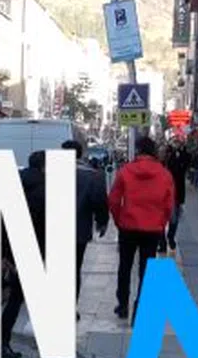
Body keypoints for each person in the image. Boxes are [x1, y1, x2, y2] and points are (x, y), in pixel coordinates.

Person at [108, 136, 174, 322]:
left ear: (137, 150)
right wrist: (161, 223)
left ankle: (122, 304)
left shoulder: (126, 171)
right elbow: (169, 204)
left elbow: (113, 200)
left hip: (128, 226)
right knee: (146, 269)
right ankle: (140, 307)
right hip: (152, 228)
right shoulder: (164, 174)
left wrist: (119, 220)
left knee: (125, 266)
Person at [0, 150, 47, 358]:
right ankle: (2, 342)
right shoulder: (45, 190)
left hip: (11, 248)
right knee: (16, 298)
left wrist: (4, 254)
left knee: (13, 297)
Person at [64, 140, 108, 314]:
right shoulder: (92, 175)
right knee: (74, 268)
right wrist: (102, 222)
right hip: (79, 230)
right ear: (80, 154)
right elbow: (99, 201)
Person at [161, 141, 190, 253]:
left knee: (172, 219)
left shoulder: (175, 163)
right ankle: (164, 241)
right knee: (164, 220)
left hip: (173, 195)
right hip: (165, 196)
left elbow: (181, 178)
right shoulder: (159, 165)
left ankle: (169, 238)